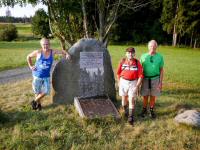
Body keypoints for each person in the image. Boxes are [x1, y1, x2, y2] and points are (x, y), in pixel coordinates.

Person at [27, 38, 70, 110]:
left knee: (46, 91)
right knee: (37, 91)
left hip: (46, 76)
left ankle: (34, 101)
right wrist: (30, 66)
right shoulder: (38, 52)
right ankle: (38, 105)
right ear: (41, 45)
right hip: (37, 75)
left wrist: (67, 54)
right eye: (44, 44)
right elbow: (28, 56)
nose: (45, 46)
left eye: (47, 44)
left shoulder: (52, 52)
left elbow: (63, 51)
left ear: (49, 44)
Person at [117, 47, 143, 125]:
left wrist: (137, 86)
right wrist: (119, 82)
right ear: (126, 54)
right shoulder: (122, 61)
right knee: (124, 98)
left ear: (134, 54)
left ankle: (130, 117)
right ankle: (125, 111)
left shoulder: (137, 62)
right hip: (123, 81)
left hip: (133, 82)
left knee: (131, 99)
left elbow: (141, 76)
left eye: (132, 53)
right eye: (128, 53)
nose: (130, 54)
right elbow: (118, 73)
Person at [140, 40, 164, 118]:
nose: (152, 47)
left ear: (156, 47)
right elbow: (140, 69)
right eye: (151, 46)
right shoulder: (143, 56)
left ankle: (151, 110)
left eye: (154, 46)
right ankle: (144, 110)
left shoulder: (160, 57)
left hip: (155, 78)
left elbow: (161, 70)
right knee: (145, 96)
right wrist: (139, 81)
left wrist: (160, 82)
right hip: (145, 79)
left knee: (153, 96)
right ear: (148, 47)